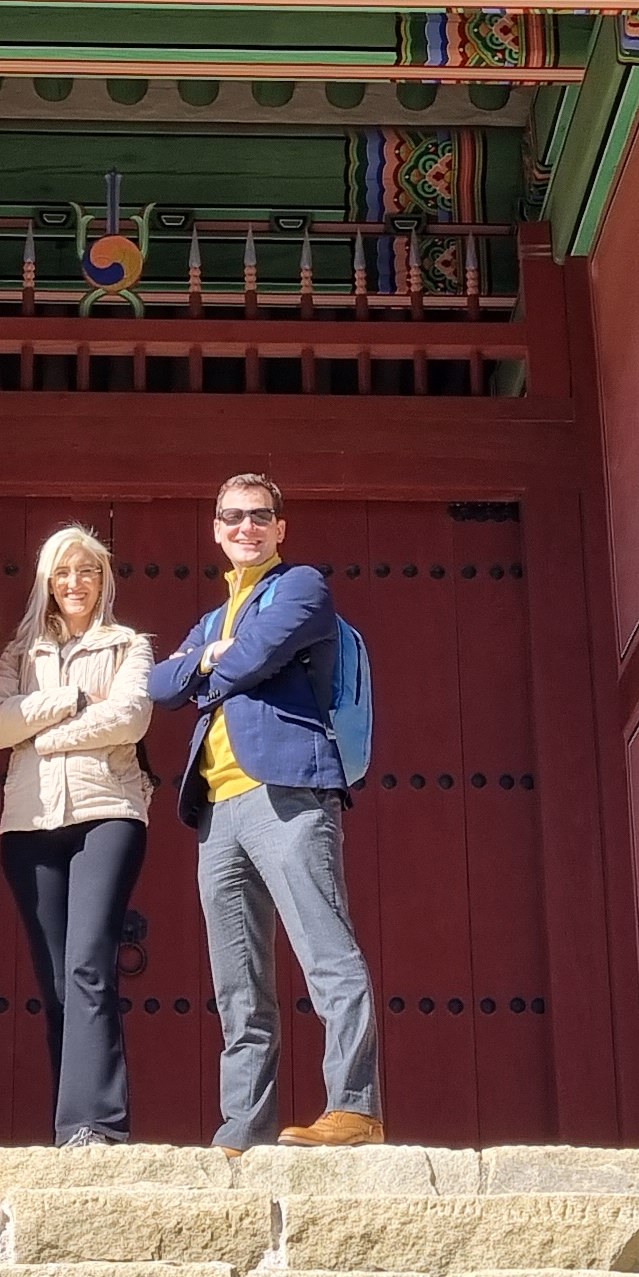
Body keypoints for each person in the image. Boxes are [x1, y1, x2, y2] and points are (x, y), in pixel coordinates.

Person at [152, 472, 382, 1148]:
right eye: (232, 517)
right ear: (216, 529)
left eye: (259, 516)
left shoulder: (303, 586)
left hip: (286, 791)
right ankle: (243, 1127)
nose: (245, 527)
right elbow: (157, 686)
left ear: (281, 527)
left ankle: (355, 1106)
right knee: (238, 980)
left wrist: (203, 666)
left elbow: (245, 663)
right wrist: (203, 662)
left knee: (325, 950)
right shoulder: (210, 618)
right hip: (218, 809)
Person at [0, 525, 156, 1147]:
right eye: (62, 573)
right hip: (28, 826)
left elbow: (130, 718)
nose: (74, 584)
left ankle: (98, 1125)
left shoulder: (130, 645)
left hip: (108, 814)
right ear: (46, 584)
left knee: (88, 967)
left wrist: (44, 735)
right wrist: (69, 699)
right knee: (56, 978)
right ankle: (67, 1127)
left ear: (103, 579)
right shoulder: (19, 653)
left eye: (87, 571)